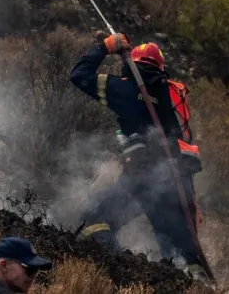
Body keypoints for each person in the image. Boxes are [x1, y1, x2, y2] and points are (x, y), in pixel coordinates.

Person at [68, 31, 210, 284]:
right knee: (180, 250)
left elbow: (78, 75)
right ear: (160, 68)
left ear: (131, 63)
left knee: (94, 221)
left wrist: (104, 47)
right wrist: (191, 203)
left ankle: (122, 274)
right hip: (173, 184)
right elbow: (182, 148)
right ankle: (195, 285)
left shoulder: (123, 88)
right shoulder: (170, 97)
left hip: (140, 178)